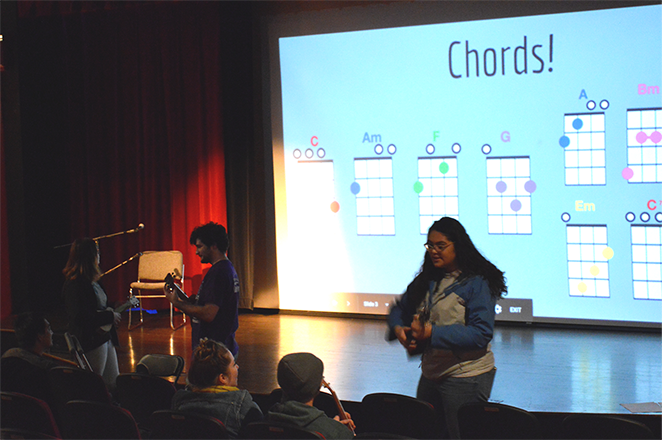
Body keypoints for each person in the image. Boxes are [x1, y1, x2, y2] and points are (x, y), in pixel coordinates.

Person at [388, 217, 507, 440]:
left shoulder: (477, 282)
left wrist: (431, 333)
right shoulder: (428, 278)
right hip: (432, 372)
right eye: (430, 245)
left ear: (458, 245)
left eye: (441, 246)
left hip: (466, 374)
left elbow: (480, 334)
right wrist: (398, 329)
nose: (434, 251)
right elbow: (399, 309)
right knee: (424, 432)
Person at [163, 222, 240, 355]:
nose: (197, 252)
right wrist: (193, 302)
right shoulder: (225, 269)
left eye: (200, 247)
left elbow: (208, 314)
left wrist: (176, 303)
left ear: (214, 245)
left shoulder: (219, 272)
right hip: (221, 346)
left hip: (214, 351)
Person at [171, 338, 262, 440]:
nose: (237, 367)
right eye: (233, 365)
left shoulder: (179, 402)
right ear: (222, 378)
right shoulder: (243, 407)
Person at [62, 238, 121, 391]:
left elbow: (97, 305)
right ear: (90, 256)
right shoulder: (75, 284)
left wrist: (113, 306)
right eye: (97, 253)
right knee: (93, 386)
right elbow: (80, 317)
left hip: (104, 337)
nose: (99, 256)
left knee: (112, 384)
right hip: (91, 341)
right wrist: (109, 317)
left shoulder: (94, 280)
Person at [268, 352, 355, 440]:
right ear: (317, 387)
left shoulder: (262, 423)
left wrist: (331, 426)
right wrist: (335, 429)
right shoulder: (338, 434)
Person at [0, 312, 58, 402]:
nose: (52, 332)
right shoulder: (47, 370)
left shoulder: (5, 360)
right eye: (49, 329)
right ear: (40, 337)